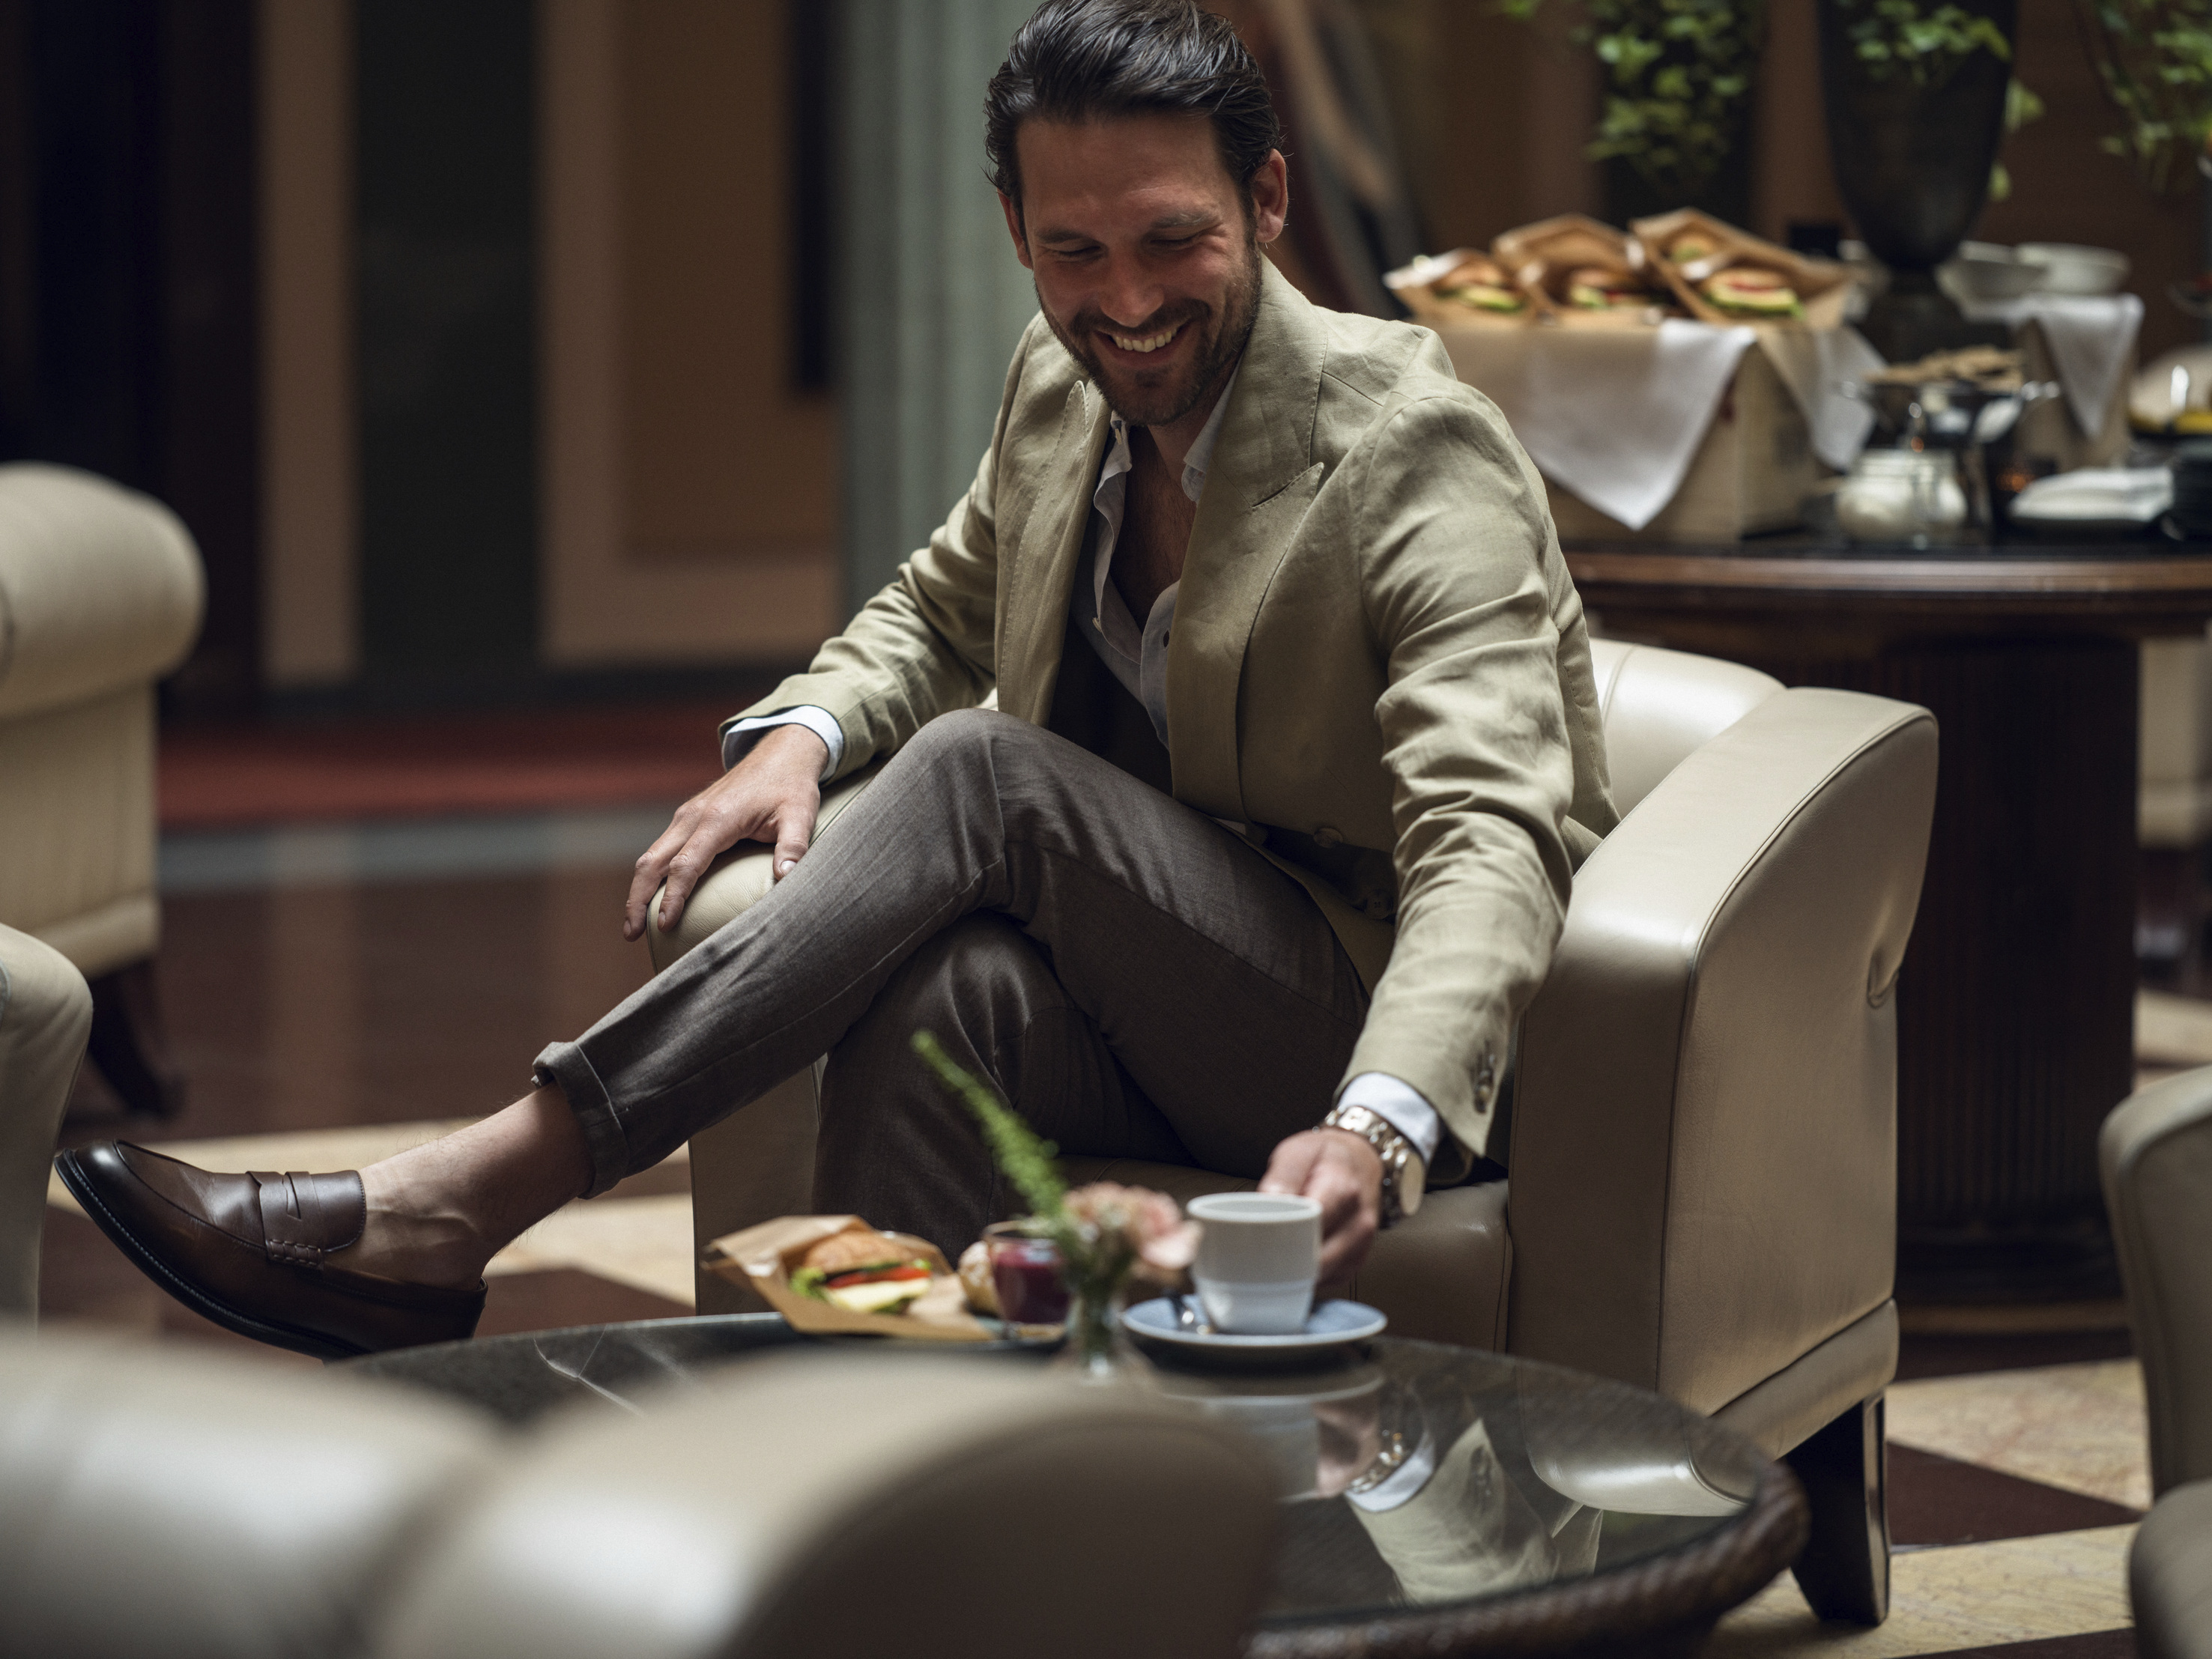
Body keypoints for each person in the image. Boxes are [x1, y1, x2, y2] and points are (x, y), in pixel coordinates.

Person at [57, 0, 1615, 1360]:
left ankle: (474, 1190)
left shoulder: (1413, 442)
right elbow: (941, 610)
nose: (1124, 299)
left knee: (980, 772)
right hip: (1143, 993)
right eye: (1072, 250)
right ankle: (901, 1491)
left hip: (1352, 1025)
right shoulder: (1057, 379)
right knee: (942, 1004)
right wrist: (799, 733)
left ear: (1264, 200)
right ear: (1015, 231)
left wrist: (1376, 1118)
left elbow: (1488, 834)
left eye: (1169, 239)